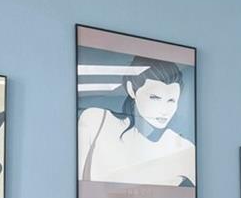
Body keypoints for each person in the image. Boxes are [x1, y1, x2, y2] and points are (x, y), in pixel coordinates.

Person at [79, 58, 195, 187]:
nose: (164, 110)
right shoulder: (96, 121)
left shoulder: (183, 148)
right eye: (155, 98)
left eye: (171, 101)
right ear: (131, 89)